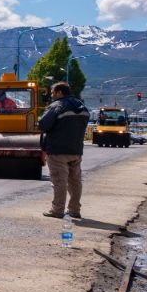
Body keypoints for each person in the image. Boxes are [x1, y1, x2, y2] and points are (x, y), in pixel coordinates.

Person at [37, 81, 90, 219]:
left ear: (60, 92)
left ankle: (57, 210)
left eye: (53, 92)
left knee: (59, 181)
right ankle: (74, 210)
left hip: (58, 150)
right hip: (76, 150)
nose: (52, 95)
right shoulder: (81, 106)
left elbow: (43, 124)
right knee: (75, 181)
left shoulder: (56, 106)